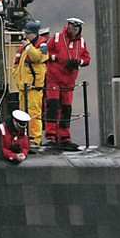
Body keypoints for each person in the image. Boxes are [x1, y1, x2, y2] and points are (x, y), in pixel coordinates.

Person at [45, 17, 90, 147]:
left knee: (66, 108)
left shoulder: (81, 42)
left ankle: (64, 136)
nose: (74, 30)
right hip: (54, 77)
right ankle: (51, 136)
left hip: (69, 81)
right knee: (52, 106)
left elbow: (86, 58)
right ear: (68, 26)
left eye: (76, 28)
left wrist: (78, 62)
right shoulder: (58, 37)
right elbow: (47, 52)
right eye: (72, 27)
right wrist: (58, 58)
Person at [14, 22, 49, 147]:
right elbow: (16, 65)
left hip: (34, 88)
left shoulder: (41, 46)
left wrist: (28, 46)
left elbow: (37, 58)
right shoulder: (24, 48)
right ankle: (25, 137)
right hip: (23, 87)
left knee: (34, 114)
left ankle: (35, 139)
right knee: (23, 113)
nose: (26, 36)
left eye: (28, 33)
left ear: (34, 33)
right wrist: (18, 81)